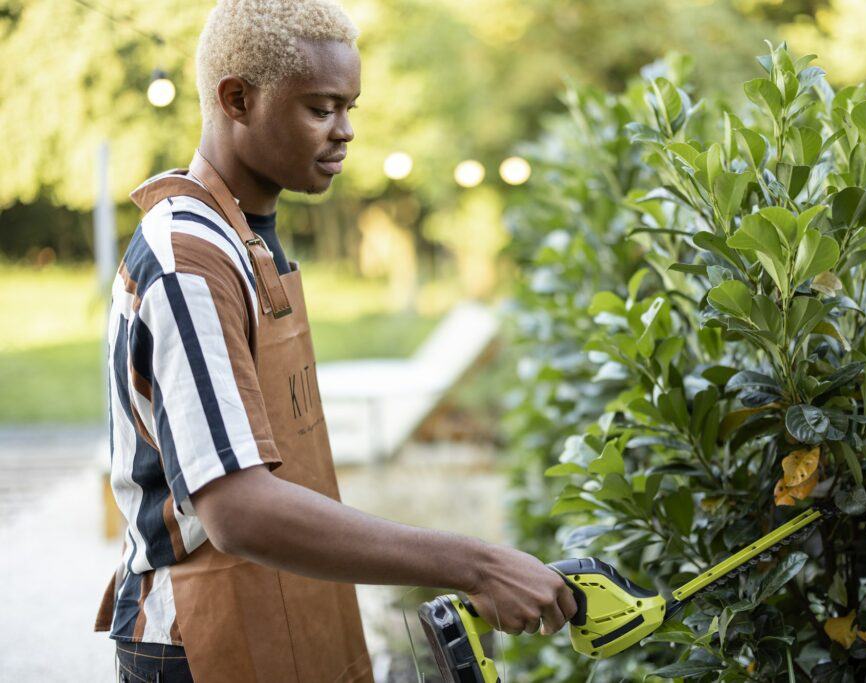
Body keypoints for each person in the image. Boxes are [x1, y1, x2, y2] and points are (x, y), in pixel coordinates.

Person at [93, 1, 577, 681]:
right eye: (321, 108)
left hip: (288, 616)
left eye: (350, 106)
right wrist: (476, 563)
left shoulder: (250, 238)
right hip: (198, 646)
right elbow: (237, 509)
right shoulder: (188, 259)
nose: (345, 131)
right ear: (238, 98)